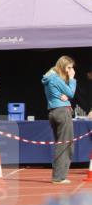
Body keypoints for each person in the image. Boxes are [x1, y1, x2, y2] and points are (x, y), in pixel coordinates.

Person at [42, 55, 77, 185]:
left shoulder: (50, 78)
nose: (70, 70)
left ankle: (58, 175)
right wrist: (72, 79)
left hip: (53, 112)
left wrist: (65, 95)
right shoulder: (55, 78)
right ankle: (58, 177)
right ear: (62, 67)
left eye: (72, 68)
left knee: (61, 144)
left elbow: (66, 93)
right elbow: (71, 93)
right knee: (66, 145)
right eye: (69, 67)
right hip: (62, 112)